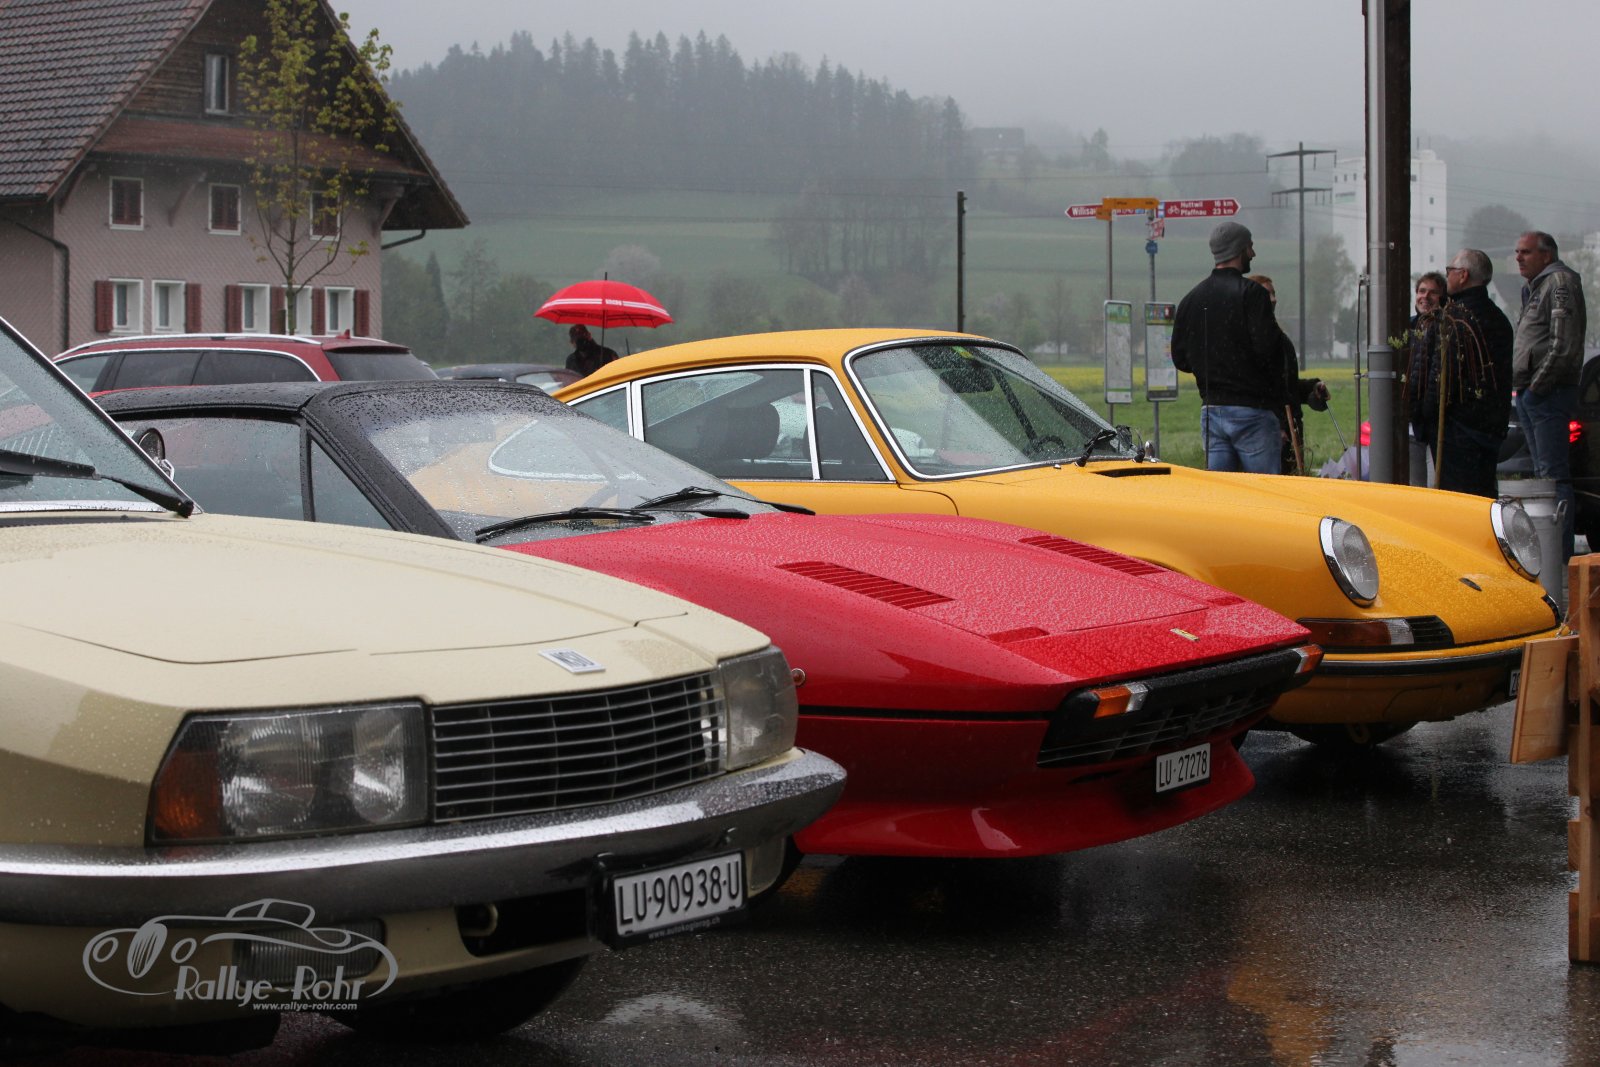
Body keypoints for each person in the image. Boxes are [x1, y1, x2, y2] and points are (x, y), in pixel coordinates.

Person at [1171, 221, 1286, 474]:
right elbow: (1269, 350)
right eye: (1250, 247)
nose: (1253, 254)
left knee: (1223, 492)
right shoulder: (1252, 294)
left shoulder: (1191, 299)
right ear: (1239, 249)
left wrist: (1211, 368)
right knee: (1264, 492)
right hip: (1253, 411)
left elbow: (1180, 358)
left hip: (1211, 412)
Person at [1406, 249, 1512, 497]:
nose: (1448, 276)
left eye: (1450, 271)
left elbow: (1440, 378)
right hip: (1491, 428)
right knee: (1484, 496)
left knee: (1457, 498)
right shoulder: (1499, 319)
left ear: (1463, 275)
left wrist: (1425, 414)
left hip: (1457, 431)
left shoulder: (1453, 320)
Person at [1512, 230, 1588, 562]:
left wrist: (1536, 387)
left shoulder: (1558, 282)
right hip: (1533, 391)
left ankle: (1559, 555)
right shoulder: (1536, 286)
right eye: (1517, 252)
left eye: (1525, 252)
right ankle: (1551, 551)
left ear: (1546, 254)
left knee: (1553, 477)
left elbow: (1563, 344)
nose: (1518, 257)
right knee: (1544, 477)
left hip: (1549, 392)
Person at [1246, 274, 1330, 474]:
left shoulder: (1276, 335)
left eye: (1274, 294)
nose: (1274, 299)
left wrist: (1312, 389)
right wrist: (1279, 425)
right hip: (1272, 432)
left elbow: (1285, 386)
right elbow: (1261, 388)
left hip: (1289, 429)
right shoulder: (1254, 338)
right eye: (1268, 294)